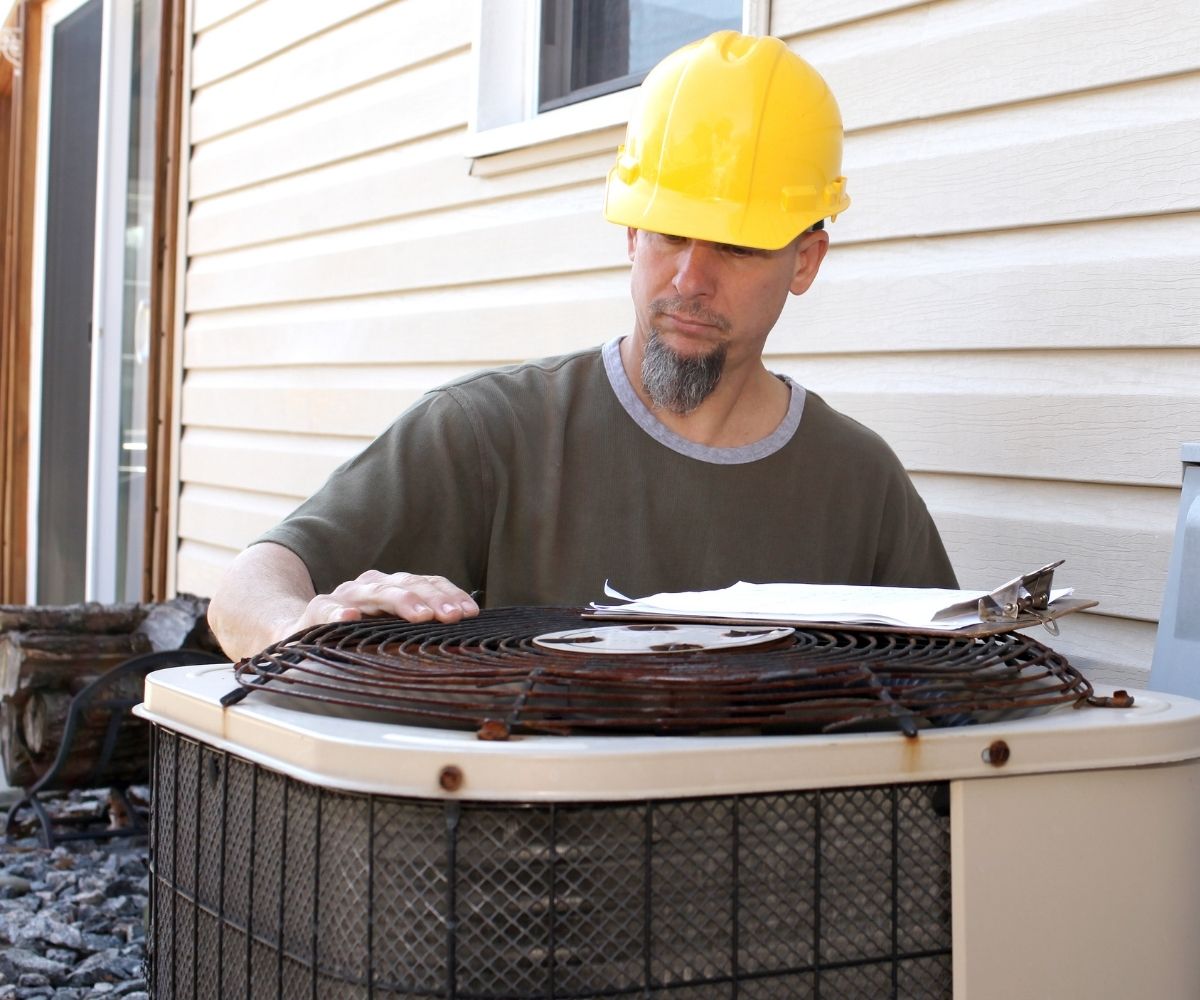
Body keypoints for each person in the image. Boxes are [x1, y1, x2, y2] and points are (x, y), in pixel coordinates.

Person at [208, 31, 956, 659]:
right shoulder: (491, 434)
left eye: (736, 246)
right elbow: (246, 590)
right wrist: (298, 625)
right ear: (631, 234)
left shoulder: (860, 487)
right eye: (669, 233)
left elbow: (958, 689)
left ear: (805, 262)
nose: (690, 279)